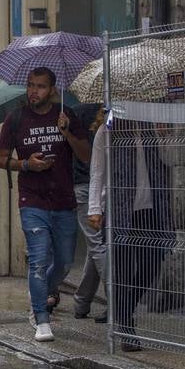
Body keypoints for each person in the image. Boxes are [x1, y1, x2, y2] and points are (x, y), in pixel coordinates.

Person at [0, 67, 91, 343]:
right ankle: (41, 318)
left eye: (39, 87)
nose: (33, 91)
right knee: (38, 261)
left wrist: (68, 134)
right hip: (32, 200)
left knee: (62, 263)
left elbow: (85, 155)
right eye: (30, 85)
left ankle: (37, 291)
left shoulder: (66, 115)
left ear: (52, 90)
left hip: (63, 200)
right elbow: (1, 159)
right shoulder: (16, 119)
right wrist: (27, 164)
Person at [87, 118, 175, 351]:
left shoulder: (151, 126)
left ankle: (121, 311)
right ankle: (126, 328)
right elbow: (97, 172)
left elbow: (169, 160)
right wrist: (94, 208)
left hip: (150, 209)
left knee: (151, 265)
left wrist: (164, 137)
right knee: (123, 271)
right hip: (120, 210)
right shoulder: (107, 131)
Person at [70, 104, 109, 323]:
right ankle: (88, 301)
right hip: (90, 185)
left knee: (96, 246)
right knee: (97, 245)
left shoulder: (82, 110)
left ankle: (87, 302)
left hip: (90, 185)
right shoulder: (85, 111)